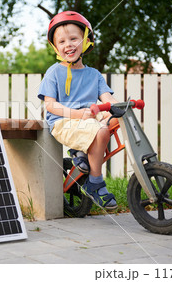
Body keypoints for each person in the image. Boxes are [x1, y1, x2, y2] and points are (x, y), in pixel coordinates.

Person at [37, 11, 118, 210]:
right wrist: (78, 114)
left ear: (86, 40)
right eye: (62, 41)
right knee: (101, 130)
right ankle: (95, 182)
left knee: (115, 120)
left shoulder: (94, 74)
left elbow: (108, 99)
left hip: (89, 120)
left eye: (73, 38)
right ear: (55, 47)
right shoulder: (54, 72)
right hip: (63, 121)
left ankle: (82, 154)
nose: (68, 45)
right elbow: (50, 105)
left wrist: (119, 107)